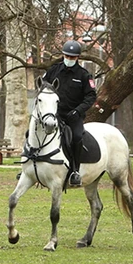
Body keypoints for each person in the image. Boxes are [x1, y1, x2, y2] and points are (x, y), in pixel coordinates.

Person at [43, 40, 96, 187]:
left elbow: (91, 96)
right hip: (54, 114)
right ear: (63, 55)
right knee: (34, 131)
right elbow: (43, 87)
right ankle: (29, 165)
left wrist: (78, 111)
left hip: (73, 116)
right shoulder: (53, 70)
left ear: (77, 58)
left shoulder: (84, 75)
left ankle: (75, 171)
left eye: (72, 57)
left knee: (77, 137)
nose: (69, 59)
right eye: (67, 56)